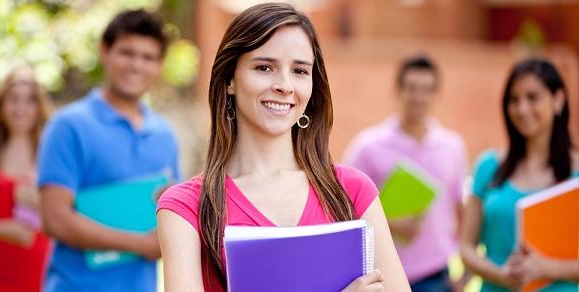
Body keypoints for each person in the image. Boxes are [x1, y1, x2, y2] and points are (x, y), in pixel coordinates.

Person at [157, 3, 410, 292]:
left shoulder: (352, 191)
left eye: (300, 71)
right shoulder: (185, 207)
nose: (285, 85)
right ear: (230, 79)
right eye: (264, 67)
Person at [37, 9, 181, 292]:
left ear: (160, 64)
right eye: (127, 53)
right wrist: (142, 244)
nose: (136, 65)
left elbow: (172, 214)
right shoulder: (68, 126)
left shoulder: (165, 135)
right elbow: (55, 220)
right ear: (105, 52)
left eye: (148, 57)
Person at [343, 55, 469, 291]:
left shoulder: (453, 146)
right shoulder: (368, 146)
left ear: (436, 94)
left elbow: (462, 212)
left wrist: (464, 275)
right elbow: (341, 209)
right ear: (398, 91)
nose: (419, 98)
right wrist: (388, 223)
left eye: (427, 90)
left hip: (436, 276)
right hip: (382, 274)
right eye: (411, 88)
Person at [460, 58, 579, 291]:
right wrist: (503, 276)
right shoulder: (488, 166)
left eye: (532, 97)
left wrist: (546, 268)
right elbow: (466, 248)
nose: (522, 109)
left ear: (558, 100)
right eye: (514, 100)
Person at [0, 65, 52, 291]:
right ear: (1, 105)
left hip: (42, 278)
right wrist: (5, 230)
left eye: (30, 100)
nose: (21, 108)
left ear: (39, 107)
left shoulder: (53, 155)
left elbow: (73, 212)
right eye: (13, 99)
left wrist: (39, 203)